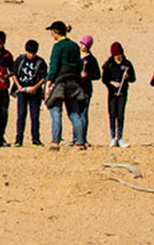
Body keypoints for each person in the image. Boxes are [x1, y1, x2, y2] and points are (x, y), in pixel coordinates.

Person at [44, 21, 83, 150]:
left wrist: (48, 84)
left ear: (56, 32)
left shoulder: (58, 46)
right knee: (73, 113)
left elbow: (54, 66)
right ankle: (80, 142)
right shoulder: (75, 46)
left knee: (56, 112)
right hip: (74, 81)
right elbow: (79, 65)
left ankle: (55, 142)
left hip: (60, 81)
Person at [12, 39, 46, 147]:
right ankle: (18, 139)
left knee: (34, 116)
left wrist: (35, 88)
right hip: (22, 91)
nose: (31, 56)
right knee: (21, 115)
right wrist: (19, 86)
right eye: (29, 53)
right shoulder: (20, 60)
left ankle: (36, 139)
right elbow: (14, 74)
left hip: (34, 93)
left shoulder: (40, 62)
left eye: (33, 53)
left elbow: (44, 77)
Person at [102, 42, 136, 147]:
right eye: (116, 54)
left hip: (122, 93)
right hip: (112, 93)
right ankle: (113, 138)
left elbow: (133, 79)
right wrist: (112, 83)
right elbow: (104, 79)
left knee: (120, 114)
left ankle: (120, 138)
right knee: (112, 114)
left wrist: (128, 77)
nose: (118, 56)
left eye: (119, 54)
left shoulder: (127, 64)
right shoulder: (109, 65)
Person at [75, 34, 100, 149]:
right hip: (75, 89)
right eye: (81, 43)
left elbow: (97, 75)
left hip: (86, 89)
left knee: (83, 114)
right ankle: (75, 138)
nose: (82, 46)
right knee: (75, 114)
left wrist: (87, 75)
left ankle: (83, 138)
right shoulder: (76, 57)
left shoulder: (91, 59)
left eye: (84, 44)